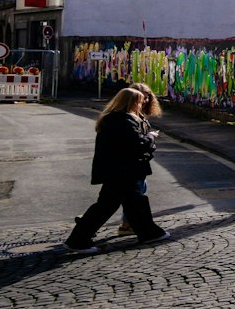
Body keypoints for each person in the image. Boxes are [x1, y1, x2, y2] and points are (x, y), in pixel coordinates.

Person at [65, 88, 167, 254]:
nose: (143, 104)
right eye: (140, 101)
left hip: (121, 170)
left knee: (132, 203)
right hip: (123, 170)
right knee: (109, 205)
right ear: (131, 102)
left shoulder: (116, 118)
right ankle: (77, 239)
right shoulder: (122, 120)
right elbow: (136, 144)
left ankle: (149, 232)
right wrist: (151, 137)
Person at [115, 83, 163, 239]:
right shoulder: (126, 117)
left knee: (127, 196)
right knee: (131, 197)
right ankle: (129, 225)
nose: (146, 99)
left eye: (148, 95)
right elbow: (136, 143)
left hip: (134, 164)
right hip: (129, 165)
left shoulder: (136, 114)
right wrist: (150, 138)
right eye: (143, 96)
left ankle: (128, 224)